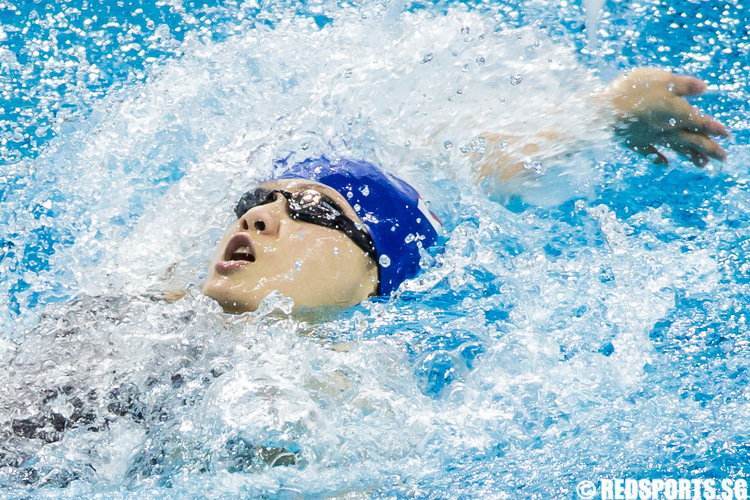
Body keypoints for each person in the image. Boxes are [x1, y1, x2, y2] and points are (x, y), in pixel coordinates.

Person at [201, 68, 729, 314]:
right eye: (254, 201)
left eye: (314, 209)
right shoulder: (137, 313)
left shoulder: (350, 402)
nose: (259, 218)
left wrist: (603, 116)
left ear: (373, 275)